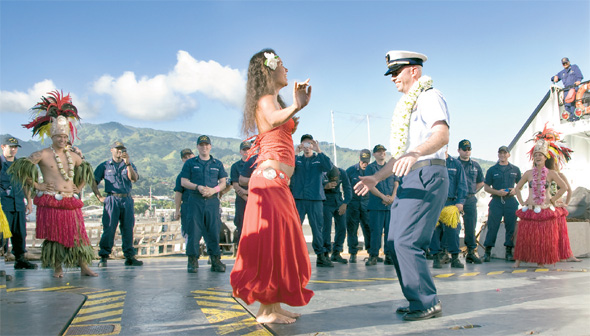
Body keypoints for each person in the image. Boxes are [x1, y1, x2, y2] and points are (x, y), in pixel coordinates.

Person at [355, 50, 449, 321]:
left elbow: (441, 134)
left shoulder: (429, 96)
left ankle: (427, 302)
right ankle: (417, 298)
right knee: (395, 242)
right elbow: (399, 155)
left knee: (407, 241)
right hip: (409, 176)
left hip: (427, 173)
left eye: (397, 72)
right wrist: (376, 178)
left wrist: (416, 153)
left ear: (415, 72)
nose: (393, 77)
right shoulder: (408, 105)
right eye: (391, 74)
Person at [230, 48, 313, 324]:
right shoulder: (266, 99)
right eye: (281, 65)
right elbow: (274, 120)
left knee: (279, 245)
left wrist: (292, 115)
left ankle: (273, 306)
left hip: (278, 183)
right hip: (269, 182)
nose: (286, 70)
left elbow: (278, 123)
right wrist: (296, 106)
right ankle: (265, 311)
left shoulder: (273, 101)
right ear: (267, 70)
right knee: (271, 245)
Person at [9, 91, 96, 277]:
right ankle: (57, 268)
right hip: (51, 200)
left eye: (65, 137)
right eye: (59, 137)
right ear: (52, 136)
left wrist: (79, 188)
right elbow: (21, 169)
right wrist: (38, 186)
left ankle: (84, 266)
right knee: (55, 236)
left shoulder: (73, 156)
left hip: (70, 200)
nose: (62, 140)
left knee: (78, 235)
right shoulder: (42, 154)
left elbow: (87, 170)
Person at [513, 138, 566, 268]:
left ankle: (541, 261)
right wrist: (522, 201)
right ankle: (518, 260)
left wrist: (553, 199)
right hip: (530, 210)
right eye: (535, 155)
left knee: (542, 239)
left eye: (540, 155)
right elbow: (517, 188)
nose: (537, 157)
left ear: (545, 157)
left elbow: (564, 187)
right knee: (525, 238)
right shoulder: (528, 173)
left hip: (545, 209)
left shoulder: (551, 173)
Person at [180, 135, 228, 273]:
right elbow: (184, 182)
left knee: (213, 231)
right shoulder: (190, 163)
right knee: (194, 231)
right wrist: (198, 187)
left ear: (210, 146)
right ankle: (193, 261)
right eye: (201, 145)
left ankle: (215, 260)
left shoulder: (217, 164)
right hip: (195, 200)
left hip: (212, 201)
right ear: (197, 147)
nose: (204, 147)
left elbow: (223, 183)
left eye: (206, 145)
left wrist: (214, 190)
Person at [93, 141, 143, 267]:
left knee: (128, 228)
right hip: (112, 199)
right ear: (111, 150)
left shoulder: (129, 165)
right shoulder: (104, 166)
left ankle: (129, 256)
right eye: (117, 149)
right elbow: (93, 181)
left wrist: (128, 164)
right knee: (109, 227)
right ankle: (104, 256)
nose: (120, 151)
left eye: (122, 149)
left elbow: (134, 178)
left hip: (126, 199)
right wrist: (99, 196)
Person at [291, 134, 334, 267]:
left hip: (315, 199)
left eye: (310, 144)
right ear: (301, 145)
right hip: (298, 199)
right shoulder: (296, 160)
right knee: (295, 228)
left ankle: (321, 256)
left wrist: (319, 150)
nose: (307, 146)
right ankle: (293, 256)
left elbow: (329, 167)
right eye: (305, 144)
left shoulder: (319, 160)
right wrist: (294, 153)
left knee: (317, 229)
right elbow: (286, 167)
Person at [1, 136, 37, 269]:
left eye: (15, 147)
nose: (13, 150)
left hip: (18, 204)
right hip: (3, 205)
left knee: (20, 233)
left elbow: (26, 184)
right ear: (3, 147)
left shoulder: (20, 165)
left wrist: (29, 201)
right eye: (10, 147)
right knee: (2, 235)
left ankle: (20, 259)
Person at [482, 146, 521, 262]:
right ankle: (487, 251)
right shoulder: (492, 170)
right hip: (496, 201)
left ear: (508, 155)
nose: (503, 155)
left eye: (505, 153)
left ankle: (508, 251)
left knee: (510, 227)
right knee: (492, 226)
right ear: (498, 154)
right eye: (500, 153)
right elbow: (486, 187)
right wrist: (497, 192)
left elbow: (520, 184)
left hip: (510, 201)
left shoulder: (515, 169)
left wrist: (515, 190)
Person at [429, 150, 467, 269]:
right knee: (433, 231)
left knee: (453, 231)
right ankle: (436, 257)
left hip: (451, 203)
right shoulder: (431, 163)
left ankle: (455, 258)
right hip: (434, 203)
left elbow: (462, 184)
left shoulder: (456, 164)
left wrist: (460, 202)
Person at [365, 144, 398, 266]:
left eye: (383, 151)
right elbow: (370, 185)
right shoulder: (370, 168)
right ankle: (373, 255)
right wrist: (383, 197)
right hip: (376, 205)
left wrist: (393, 197)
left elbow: (396, 182)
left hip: (390, 206)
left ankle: (389, 255)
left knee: (390, 232)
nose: (382, 153)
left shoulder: (391, 167)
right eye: (379, 151)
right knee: (376, 232)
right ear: (374, 154)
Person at [457, 139, 484, 264]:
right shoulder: (454, 164)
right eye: (464, 149)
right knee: (453, 226)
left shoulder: (475, 165)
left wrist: (472, 190)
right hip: (456, 199)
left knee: (470, 226)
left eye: (469, 149)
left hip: (470, 198)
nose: (467, 152)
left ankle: (471, 252)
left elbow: (481, 182)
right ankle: (447, 252)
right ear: (459, 150)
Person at [345, 149, 372, 263]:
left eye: (366, 162)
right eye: (363, 161)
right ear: (359, 159)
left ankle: (372, 254)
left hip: (367, 204)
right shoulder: (350, 170)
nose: (364, 164)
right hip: (353, 204)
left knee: (368, 228)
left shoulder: (372, 171)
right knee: (352, 229)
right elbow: (345, 186)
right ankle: (353, 253)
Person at [322, 165, 352, 264]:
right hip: (325, 201)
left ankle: (337, 252)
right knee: (326, 227)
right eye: (332, 179)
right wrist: (325, 186)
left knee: (342, 227)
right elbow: (314, 186)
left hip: (338, 200)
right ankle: (325, 253)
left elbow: (348, 189)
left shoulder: (342, 172)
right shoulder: (322, 173)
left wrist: (345, 203)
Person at [174, 148, 195, 265]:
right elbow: (178, 193)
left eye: (189, 156)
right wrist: (177, 210)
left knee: (207, 231)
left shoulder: (200, 171)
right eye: (185, 157)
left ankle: (212, 257)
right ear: (182, 160)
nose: (187, 159)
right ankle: (191, 258)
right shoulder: (181, 176)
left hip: (202, 205)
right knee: (188, 232)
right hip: (187, 205)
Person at [230, 141, 251, 245]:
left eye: (248, 149)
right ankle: (240, 251)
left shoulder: (256, 165)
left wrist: (248, 193)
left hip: (255, 199)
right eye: (244, 150)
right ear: (240, 151)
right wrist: (246, 196)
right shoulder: (235, 166)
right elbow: (235, 185)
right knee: (241, 225)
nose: (246, 152)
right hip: (242, 200)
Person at [552, 57, 584, 121]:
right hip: (566, 90)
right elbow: (554, 78)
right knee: (567, 106)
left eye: (566, 63)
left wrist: (578, 80)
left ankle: (576, 119)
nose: (565, 64)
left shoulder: (574, 67)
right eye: (563, 64)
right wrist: (554, 77)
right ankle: (570, 119)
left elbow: (579, 76)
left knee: (573, 105)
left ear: (569, 62)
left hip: (573, 88)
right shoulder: (562, 72)